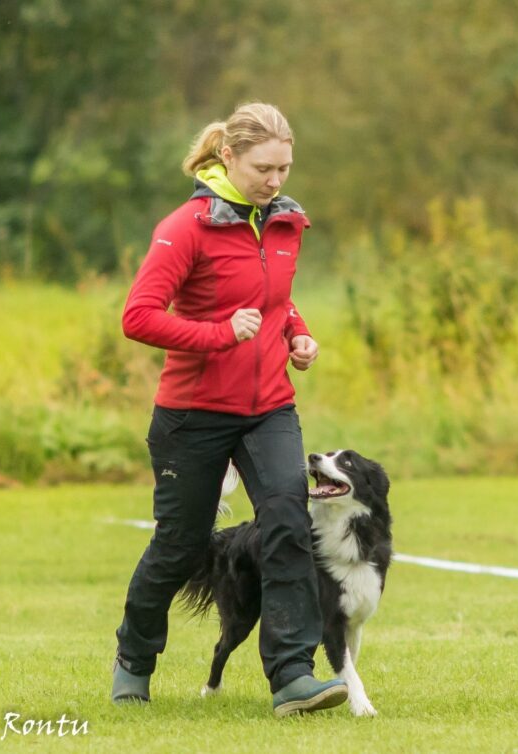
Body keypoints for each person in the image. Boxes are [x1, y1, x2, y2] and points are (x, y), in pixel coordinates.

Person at [111, 102, 347, 716]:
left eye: (285, 168)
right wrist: (219, 333)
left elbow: (274, 301)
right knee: (181, 545)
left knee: (288, 522)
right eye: (264, 168)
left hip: (269, 404)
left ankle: (293, 676)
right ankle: (134, 659)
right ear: (227, 157)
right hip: (192, 412)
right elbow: (138, 317)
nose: (276, 182)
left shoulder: (285, 222)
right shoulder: (185, 227)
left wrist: (297, 333)